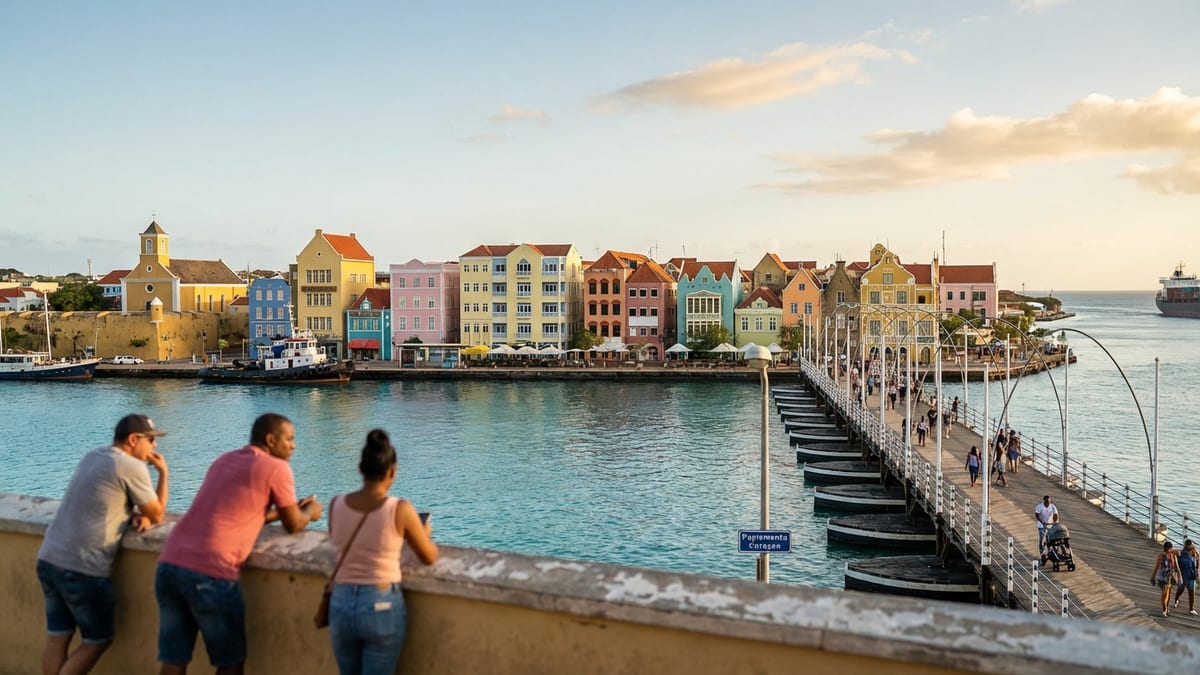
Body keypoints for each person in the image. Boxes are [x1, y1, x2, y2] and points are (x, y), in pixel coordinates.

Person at [155, 413, 323, 675]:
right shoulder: (277, 468)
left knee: (174, 661)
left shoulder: (224, 460)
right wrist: (310, 511)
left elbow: (240, 512)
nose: (294, 446)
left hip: (170, 564)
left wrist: (285, 509)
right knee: (230, 662)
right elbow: (294, 525)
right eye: (289, 439)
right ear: (270, 440)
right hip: (211, 571)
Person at [36, 414, 169, 675]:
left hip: (49, 558)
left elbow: (102, 500)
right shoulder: (131, 466)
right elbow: (156, 514)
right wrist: (164, 473)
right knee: (97, 639)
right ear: (133, 439)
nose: (155, 446)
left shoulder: (94, 456)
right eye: (151, 440)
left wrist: (131, 514)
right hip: (82, 568)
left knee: (57, 638)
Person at [327, 429, 439, 674]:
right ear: (393, 471)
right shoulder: (400, 509)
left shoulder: (336, 504)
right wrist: (425, 533)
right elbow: (428, 557)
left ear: (360, 468)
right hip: (380, 603)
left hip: (341, 603)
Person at [1152, 541, 1182, 617]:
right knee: (1165, 594)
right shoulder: (1164, 556)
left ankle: (1166, 608)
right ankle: (1164, 609)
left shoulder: (1171, 556)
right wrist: (1152, 577)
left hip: (1169, 577)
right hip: (1165, 578)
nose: (1172, 549)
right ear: (1169, 548)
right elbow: (1157, 567)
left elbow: (1177, 568)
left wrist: (1179, 577)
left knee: (1167, 594)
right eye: (1171, 548)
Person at [1173, 539, 1198, 616]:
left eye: (1189, 545)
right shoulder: (1180, 553)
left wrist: (1197, 570)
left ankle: (1191, 609)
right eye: (1187, 545)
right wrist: (1175, 572)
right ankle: (1176, 599)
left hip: (1191, 575)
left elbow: (1198, 559)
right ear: (1185, 545)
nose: (1188, 546)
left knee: (1191, 592)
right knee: (1181, 589)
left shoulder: (1193, 553)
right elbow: (1172, 554)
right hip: (1182, 575)